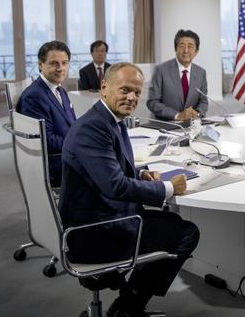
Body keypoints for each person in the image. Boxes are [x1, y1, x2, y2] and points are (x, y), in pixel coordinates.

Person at [59, 62, 200, 317]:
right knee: (186, 232)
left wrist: (141, 173)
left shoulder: (108, 119)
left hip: (102, 216)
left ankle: (129, 300)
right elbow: (114, 186)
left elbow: (109, 169)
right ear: (104, 87)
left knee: (172, 223)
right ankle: (128, 308)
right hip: (94, 232)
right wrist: (167, 187)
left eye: (136, 92)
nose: (132, 97)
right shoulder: (93, 129)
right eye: (124, 90)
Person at [16, 40, 76, 187]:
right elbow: (45, 141)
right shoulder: (34, 96)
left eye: (64, 63)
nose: (60, 68)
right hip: (58, 164)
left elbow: (72, 124)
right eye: (54, 63)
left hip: (69, 154)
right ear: (40, 65)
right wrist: (80, 143)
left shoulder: (59, 89)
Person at [147, 29, 209, 121]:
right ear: (175, 49)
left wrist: (198, 113)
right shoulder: (160, 70)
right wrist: (177, 115)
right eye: (182, 46)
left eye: (190, 46)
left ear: (196, 51)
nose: (186, 50)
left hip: (191, 124)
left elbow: (203, 101)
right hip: (165, 124)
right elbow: (152, 102)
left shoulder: (201, 72)